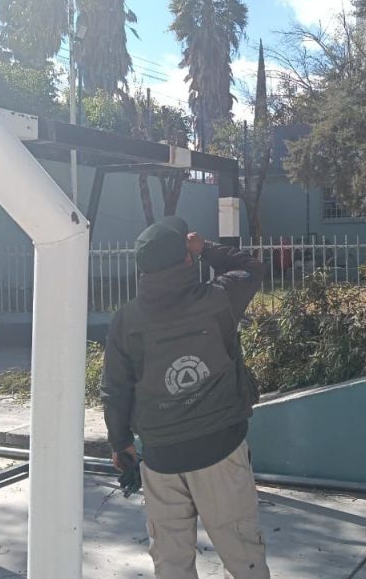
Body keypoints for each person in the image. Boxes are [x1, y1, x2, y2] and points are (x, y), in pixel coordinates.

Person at [102, 216, 270, 579]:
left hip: (161, 457)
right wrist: (205, 247)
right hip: (220, 448)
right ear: (187, 258)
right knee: (243, 554)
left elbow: (115, 389)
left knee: (172, 561)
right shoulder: (219, 299)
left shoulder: (126, 321)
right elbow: (252, 268)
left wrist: (120, 443)